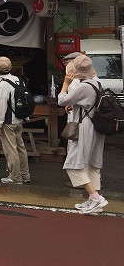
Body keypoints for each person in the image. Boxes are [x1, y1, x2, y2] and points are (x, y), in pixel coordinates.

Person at [57, 54, 108, 214]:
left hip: (84, 127)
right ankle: (94, 201)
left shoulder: (83, 86)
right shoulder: (97, 82)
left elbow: (61, 100)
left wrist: (65, 84)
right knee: (93, 164)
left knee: (73, 163)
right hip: (97, 126)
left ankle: (95, 197)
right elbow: (84, 103)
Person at [0, 56, 30, 184]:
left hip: (8, 121)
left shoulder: (3, 84)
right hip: (20, 119)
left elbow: (1, 105)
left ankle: (15, 176)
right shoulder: (18, 80)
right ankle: (25, 174)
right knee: (21, 147)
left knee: (11, 150)